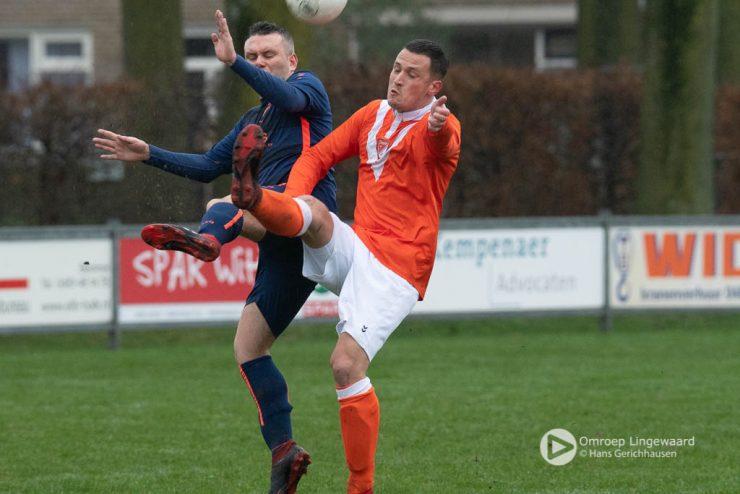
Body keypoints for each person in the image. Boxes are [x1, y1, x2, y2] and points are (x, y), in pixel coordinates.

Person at [93, 10, 335, 494]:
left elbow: (287, 97)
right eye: (252, 56)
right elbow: (207, 164)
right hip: (282, 250)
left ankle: (212, 237)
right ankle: (284, 453)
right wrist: (148, 153)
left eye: (269, 55)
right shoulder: (252, 120)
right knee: (248, 348)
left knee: (224, 204)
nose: (260, 62)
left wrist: (232, 63)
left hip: (307, 214)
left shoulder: (307, 89)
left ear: (291, 60)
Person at [230, 39, 461, 494]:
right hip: (359, 246)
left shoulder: (442, 124)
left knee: (345, 366)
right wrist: (292, 197)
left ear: (434, 87)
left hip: (397, 268)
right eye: (397, 68)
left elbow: (444, 140)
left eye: (412, 74)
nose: (398, 78)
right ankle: (255, 198)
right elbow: (317, 156)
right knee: (314, 213)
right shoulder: (373, 113)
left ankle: (360, 487)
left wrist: (438, 125)